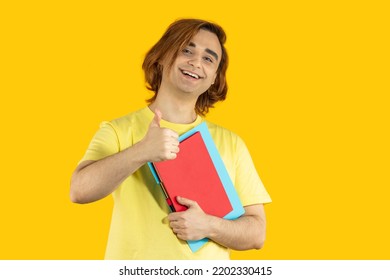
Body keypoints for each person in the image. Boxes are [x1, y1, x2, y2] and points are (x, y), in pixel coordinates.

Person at [70, 18, 271, 260]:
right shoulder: (118, 130)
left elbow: (257, 233)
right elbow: (79, 191)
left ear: (215, 77)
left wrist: (209, 226)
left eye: (208, 58)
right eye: (187, 50)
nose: (196, 62)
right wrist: (142, 151)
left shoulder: (232, 143)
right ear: (163, 56)